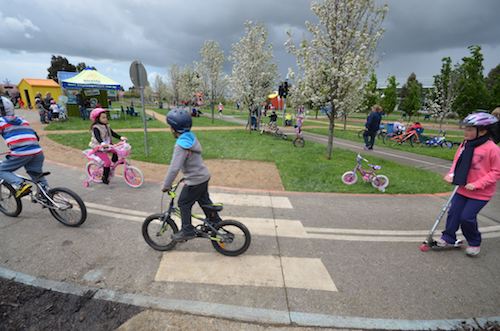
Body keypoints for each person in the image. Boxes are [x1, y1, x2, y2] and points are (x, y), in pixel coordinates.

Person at [439, 112, 500, 256]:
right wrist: (451, 174)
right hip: (462, 188)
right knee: (453, 213)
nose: (466, 132)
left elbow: (496, 172)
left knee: (466, 217)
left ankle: (474, 242)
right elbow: (457, 162)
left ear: (483, 131)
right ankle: (448, 238)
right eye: (466, 128)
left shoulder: (492, 149)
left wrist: (478, 183)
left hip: (480, 193)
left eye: (470, 129)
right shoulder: (465, 145)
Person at [162, 108, 221, 241]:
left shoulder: (181, 145)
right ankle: (215, 221)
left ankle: (187, 230)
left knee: (183, 202)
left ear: (173, 128)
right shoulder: (190, 137)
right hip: (203, 176)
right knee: (204, 201)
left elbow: (174, 168)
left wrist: (166, 185)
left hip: (195, 180)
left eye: (170, 127)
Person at [0, 96, 48, 198]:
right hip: (37, 152)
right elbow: (35, 136)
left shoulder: (1, 121)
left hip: (21, 154)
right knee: (36, 174)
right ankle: (47, 195)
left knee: (1, 170)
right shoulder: (22, 120)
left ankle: (20, 185)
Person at [89, 108, 126, 185]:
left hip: (107, 145)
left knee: (116, 151)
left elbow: (112, 133)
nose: (106, 119)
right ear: (97, 119)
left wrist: (120, 137)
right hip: (98, 147)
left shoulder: (106, 125)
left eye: (106, 117)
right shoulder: (96, 127)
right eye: (103, 117)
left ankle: (114, 163)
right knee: (107, 162)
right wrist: (102, 143)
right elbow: (97, 137)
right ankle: (105, 178)